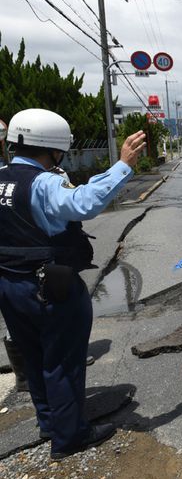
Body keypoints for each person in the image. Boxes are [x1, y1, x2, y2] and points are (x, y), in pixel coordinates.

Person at [0, 108, 146, 460]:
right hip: (49, 284)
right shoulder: (44, 182)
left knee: (34, 359)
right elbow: (84, 203)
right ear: (53, 147)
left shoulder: (2, 178)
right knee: (62, 361)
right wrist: (122, 165)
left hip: (9, 284)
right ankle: (70, 437)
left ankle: (50, 422)